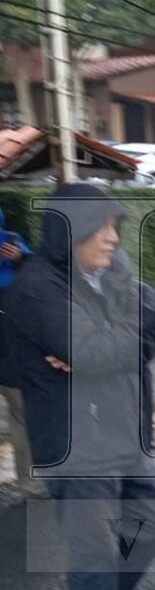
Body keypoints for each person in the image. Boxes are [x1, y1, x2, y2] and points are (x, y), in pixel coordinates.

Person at [4, 186, 155, 590]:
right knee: (95, 548)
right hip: (75, 444)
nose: (111, 237)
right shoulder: (36, 288)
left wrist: (110, 341)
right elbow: (101, 350)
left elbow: (139, 348)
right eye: (99, 226)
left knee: (150, 531)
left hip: (124, 433)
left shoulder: (110, 276)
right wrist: (147, 313)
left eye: (115, 226)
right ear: (68, 230)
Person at [0, 207, 40, 497]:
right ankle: (28, 481)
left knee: (22, 415)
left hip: (10, 349)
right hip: (10, 350)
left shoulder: (18, 247)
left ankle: (29, 480)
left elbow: (38, 277)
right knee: (23, 416)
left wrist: (20, 259)